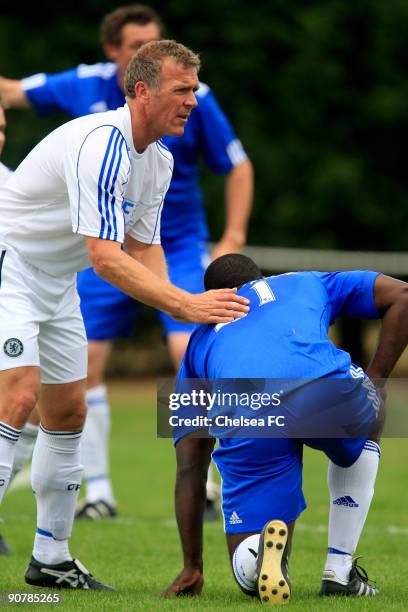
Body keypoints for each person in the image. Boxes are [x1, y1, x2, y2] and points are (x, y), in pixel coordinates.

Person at [0, 41, 249, 590]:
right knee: (18, 396)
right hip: (9, 267)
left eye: (195, 89)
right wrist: (187, 304)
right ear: (141, 91)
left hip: (57, 283)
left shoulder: (158, 158)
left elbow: (143, 251)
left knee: (66, 413)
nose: (193, 101)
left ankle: (51, 560)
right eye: (182, 90)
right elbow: (105, 258)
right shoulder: (104, 142)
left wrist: (191, 321)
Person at [164, 253, 408, 603]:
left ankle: (256, 553)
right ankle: (339, 569)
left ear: (213, 299)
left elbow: (190, 466)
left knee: (249, 570)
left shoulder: (198, 343)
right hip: (323, 388)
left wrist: (192, 565)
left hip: (246, 411)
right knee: (373, 411)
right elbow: (402, 295)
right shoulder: (305, 281)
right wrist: (377, 381)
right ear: (258, 277)